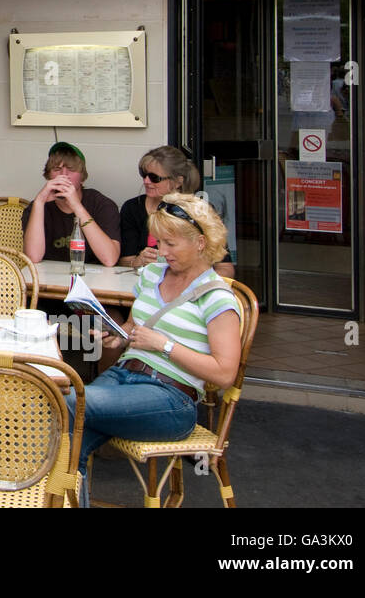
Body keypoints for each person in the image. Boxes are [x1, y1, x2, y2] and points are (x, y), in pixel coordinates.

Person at [67, 192, 242, 506]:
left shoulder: (218, 298)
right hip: (123, 378)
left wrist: (165, 345)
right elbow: (136, 327)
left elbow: (225, 373)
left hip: (171, 400)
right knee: (67, 446)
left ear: (201, 242)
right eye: (159, 242)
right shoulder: (151, 275)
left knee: (64, 399)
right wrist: (119, 336)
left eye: (170, 244)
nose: (161, 251)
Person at [119, 146, 235, 279]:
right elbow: (124, 262)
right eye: (144, 175)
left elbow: (225, 268)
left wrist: (196, 285)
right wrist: (138, 261)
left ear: (178, 181)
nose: (146, 181)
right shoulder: (133, 208)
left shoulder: (199, 210)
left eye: (154, 177)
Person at [22, 141, 120, 266]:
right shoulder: (37, 206)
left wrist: (76, 206)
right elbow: (33, 257)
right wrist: (39, 202)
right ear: (49, 175)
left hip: (92, 280)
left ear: (82, 177)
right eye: (57, 169)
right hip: (50, 280)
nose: (64, 175)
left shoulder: (102, 204)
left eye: (71, 169)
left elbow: (110, 259)